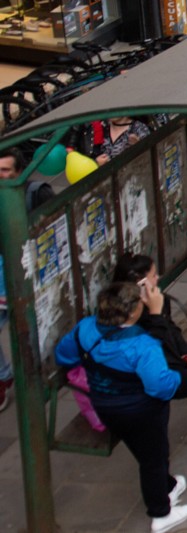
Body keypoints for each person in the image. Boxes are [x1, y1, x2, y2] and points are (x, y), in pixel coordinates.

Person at [54, 283, 187, 533]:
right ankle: (161, 513)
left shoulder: (85, 328)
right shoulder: (142, 345)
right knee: (153, 458)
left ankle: (168, 485)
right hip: (141, 411)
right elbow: (160, 386)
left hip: (105, 406)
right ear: (133, 312)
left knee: (145, 451)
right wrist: (184, 378)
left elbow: (65, 354)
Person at [0, 148, 53, 413]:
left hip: (32, 275)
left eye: (5, 170)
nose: (0, 176)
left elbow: (53, 229)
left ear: (20, 171)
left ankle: (38, 379)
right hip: (2, 274)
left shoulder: (37, 193)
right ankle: (3, 377)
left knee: (32, 334)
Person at [111, 254, 187, 386]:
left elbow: (170, 328)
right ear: (140, 282)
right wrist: (155, 313)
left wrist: (186, 352)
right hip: (153, 370)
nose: (158, 277)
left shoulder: (159, 299)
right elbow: (155, 346)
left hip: (170, 359)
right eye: (153, 275)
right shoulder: (129, 314)